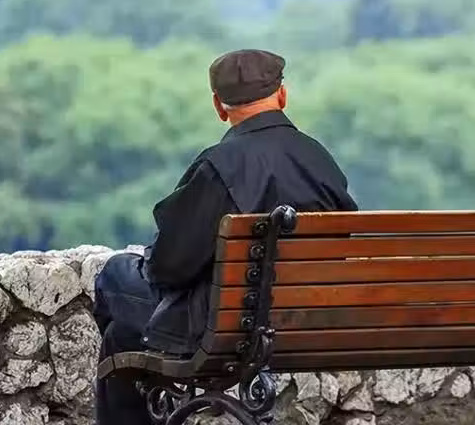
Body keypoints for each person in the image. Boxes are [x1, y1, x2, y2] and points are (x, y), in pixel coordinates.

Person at [92, 49, 359, 424]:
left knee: (114, 275)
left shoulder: (220, 166)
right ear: (282, 96)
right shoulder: (319, 160)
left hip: (228, 328)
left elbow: (169, 268)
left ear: (219, 106)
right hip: (305, 320)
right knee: (122, 335)